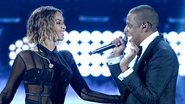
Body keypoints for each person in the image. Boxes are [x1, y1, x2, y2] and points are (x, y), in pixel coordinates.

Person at [0, 6, 123, 104]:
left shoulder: (66, 57)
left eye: (63, 23)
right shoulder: (25, 57)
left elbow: (85, 93)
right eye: (58, 23)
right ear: (44, 25)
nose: (64, 26)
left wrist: (121, 100)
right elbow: (7, 94)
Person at [107, 4, 179, 104]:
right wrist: (117, 56)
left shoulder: (162, 53)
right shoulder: (144, 48)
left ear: (144, 26)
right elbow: (128, 92)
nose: (125, 30)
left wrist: (125, 67)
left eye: (129, 25)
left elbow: (149, 99)